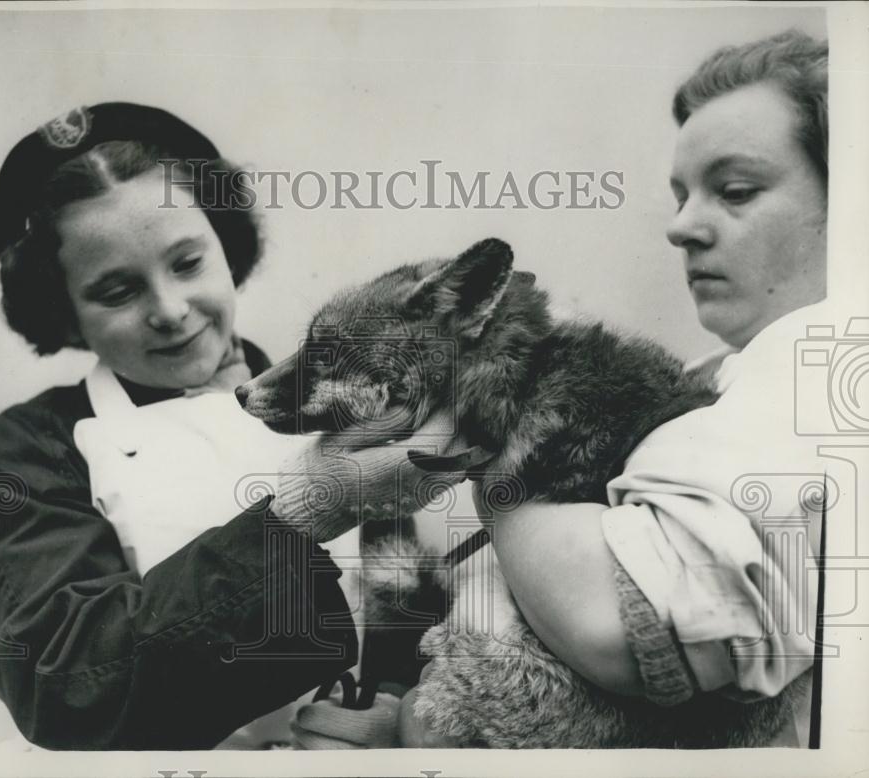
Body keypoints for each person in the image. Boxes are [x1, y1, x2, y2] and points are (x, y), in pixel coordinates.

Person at [292, 29, 830, 748]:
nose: (680, 227)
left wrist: (496, 430)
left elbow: (626, 628)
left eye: (735, 191)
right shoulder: (727, 377)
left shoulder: (822, 362)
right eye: (681, 195)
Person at [0, 102, 460, 750]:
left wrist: (392, 710)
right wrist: (305, 510)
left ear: (227, 246)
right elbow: (66, 689)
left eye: (188, 262)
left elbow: (407, 608)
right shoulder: (25, 453)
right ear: (63, 314)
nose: (170, 310)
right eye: (117, 292)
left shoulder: (337, 399)